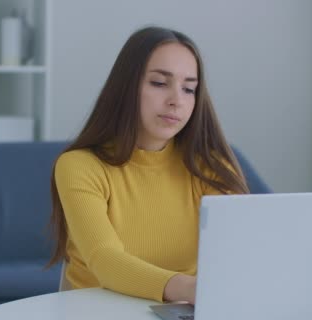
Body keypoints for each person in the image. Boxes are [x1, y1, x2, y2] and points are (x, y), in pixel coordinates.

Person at [47, 26, 249, 304]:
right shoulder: (79, 166)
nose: (176, 100)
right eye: (159, 83)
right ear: (126, 87)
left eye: (189, 88)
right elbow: (105, 260)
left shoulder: (209, 167)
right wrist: (192, 289)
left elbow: (242, 250)